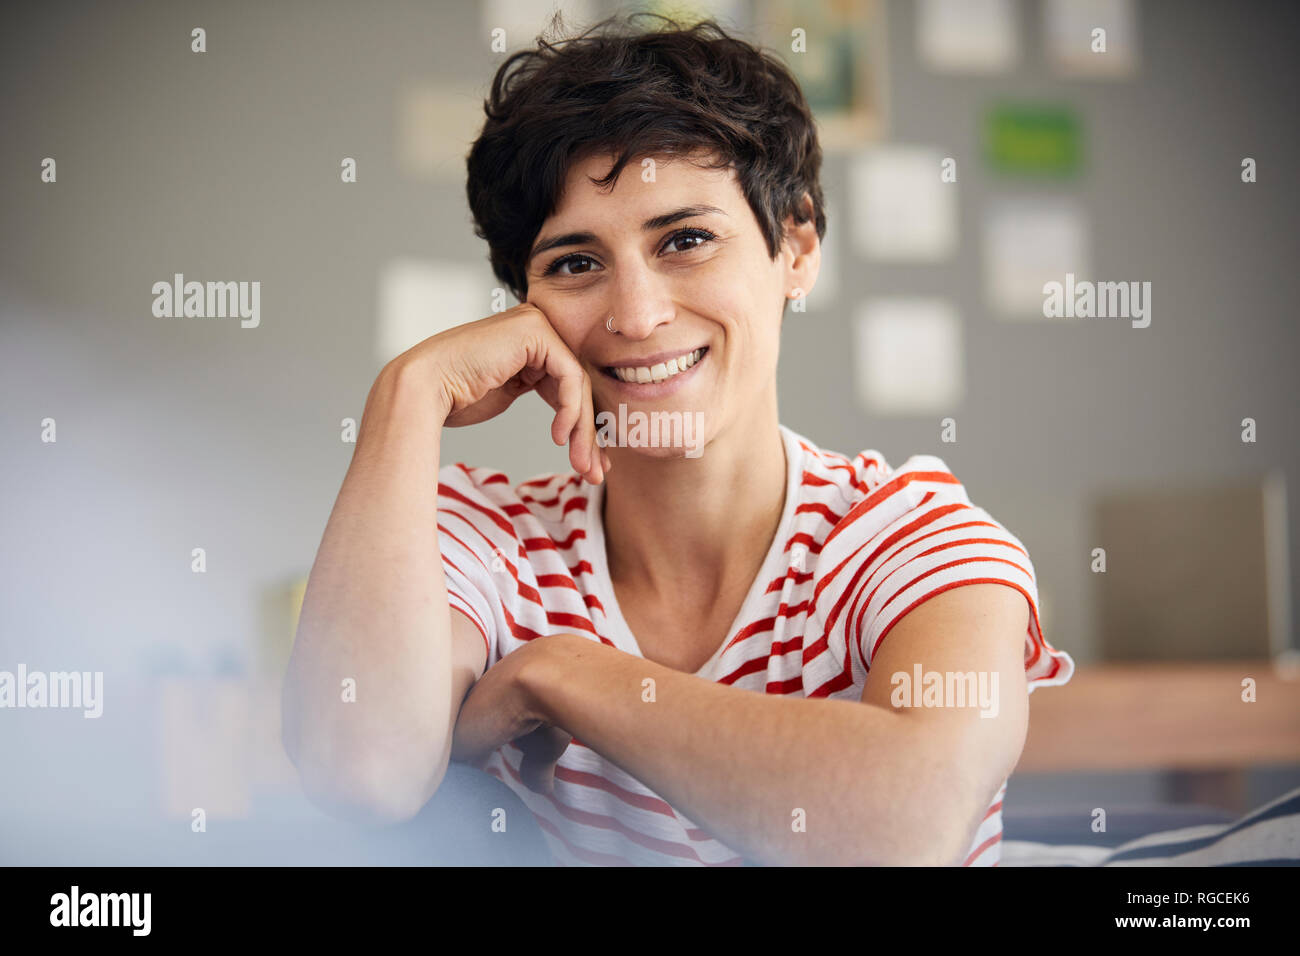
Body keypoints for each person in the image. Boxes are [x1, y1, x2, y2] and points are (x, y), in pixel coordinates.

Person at [281, 12, 1074, 867]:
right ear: (524, 306)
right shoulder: (489, 535)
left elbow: (896, 832)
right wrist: (407, 396)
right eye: (575, 263)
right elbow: (357, 773)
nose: (637, 315)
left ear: (797, 246)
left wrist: (563, 672)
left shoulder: (918, 539)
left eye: (686, 240)